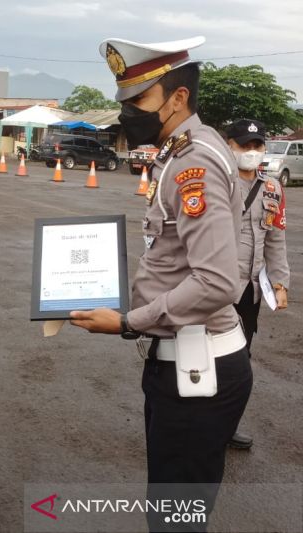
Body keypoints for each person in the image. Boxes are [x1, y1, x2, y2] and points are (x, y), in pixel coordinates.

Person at [69, 36, 251, 531]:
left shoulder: (192, 164)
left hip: (198, 369)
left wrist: (130, 322)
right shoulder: (183, 148)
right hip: (191, 359)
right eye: (124, 102)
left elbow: (215, 281)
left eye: (139, 101)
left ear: (177, 98)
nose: (129, 113)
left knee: (175, 521)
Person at [224, 119, 289, 450]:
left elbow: (275, 239)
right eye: (245, 145)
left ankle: (227, 426)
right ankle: (203, 425)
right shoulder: (219, 183)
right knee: (209, 358)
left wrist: (280, 282)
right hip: (218, 290)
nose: (251, 152)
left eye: (257, 146)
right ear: (231, 146)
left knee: (240, 360)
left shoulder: (273, 188)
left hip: (251, 293)